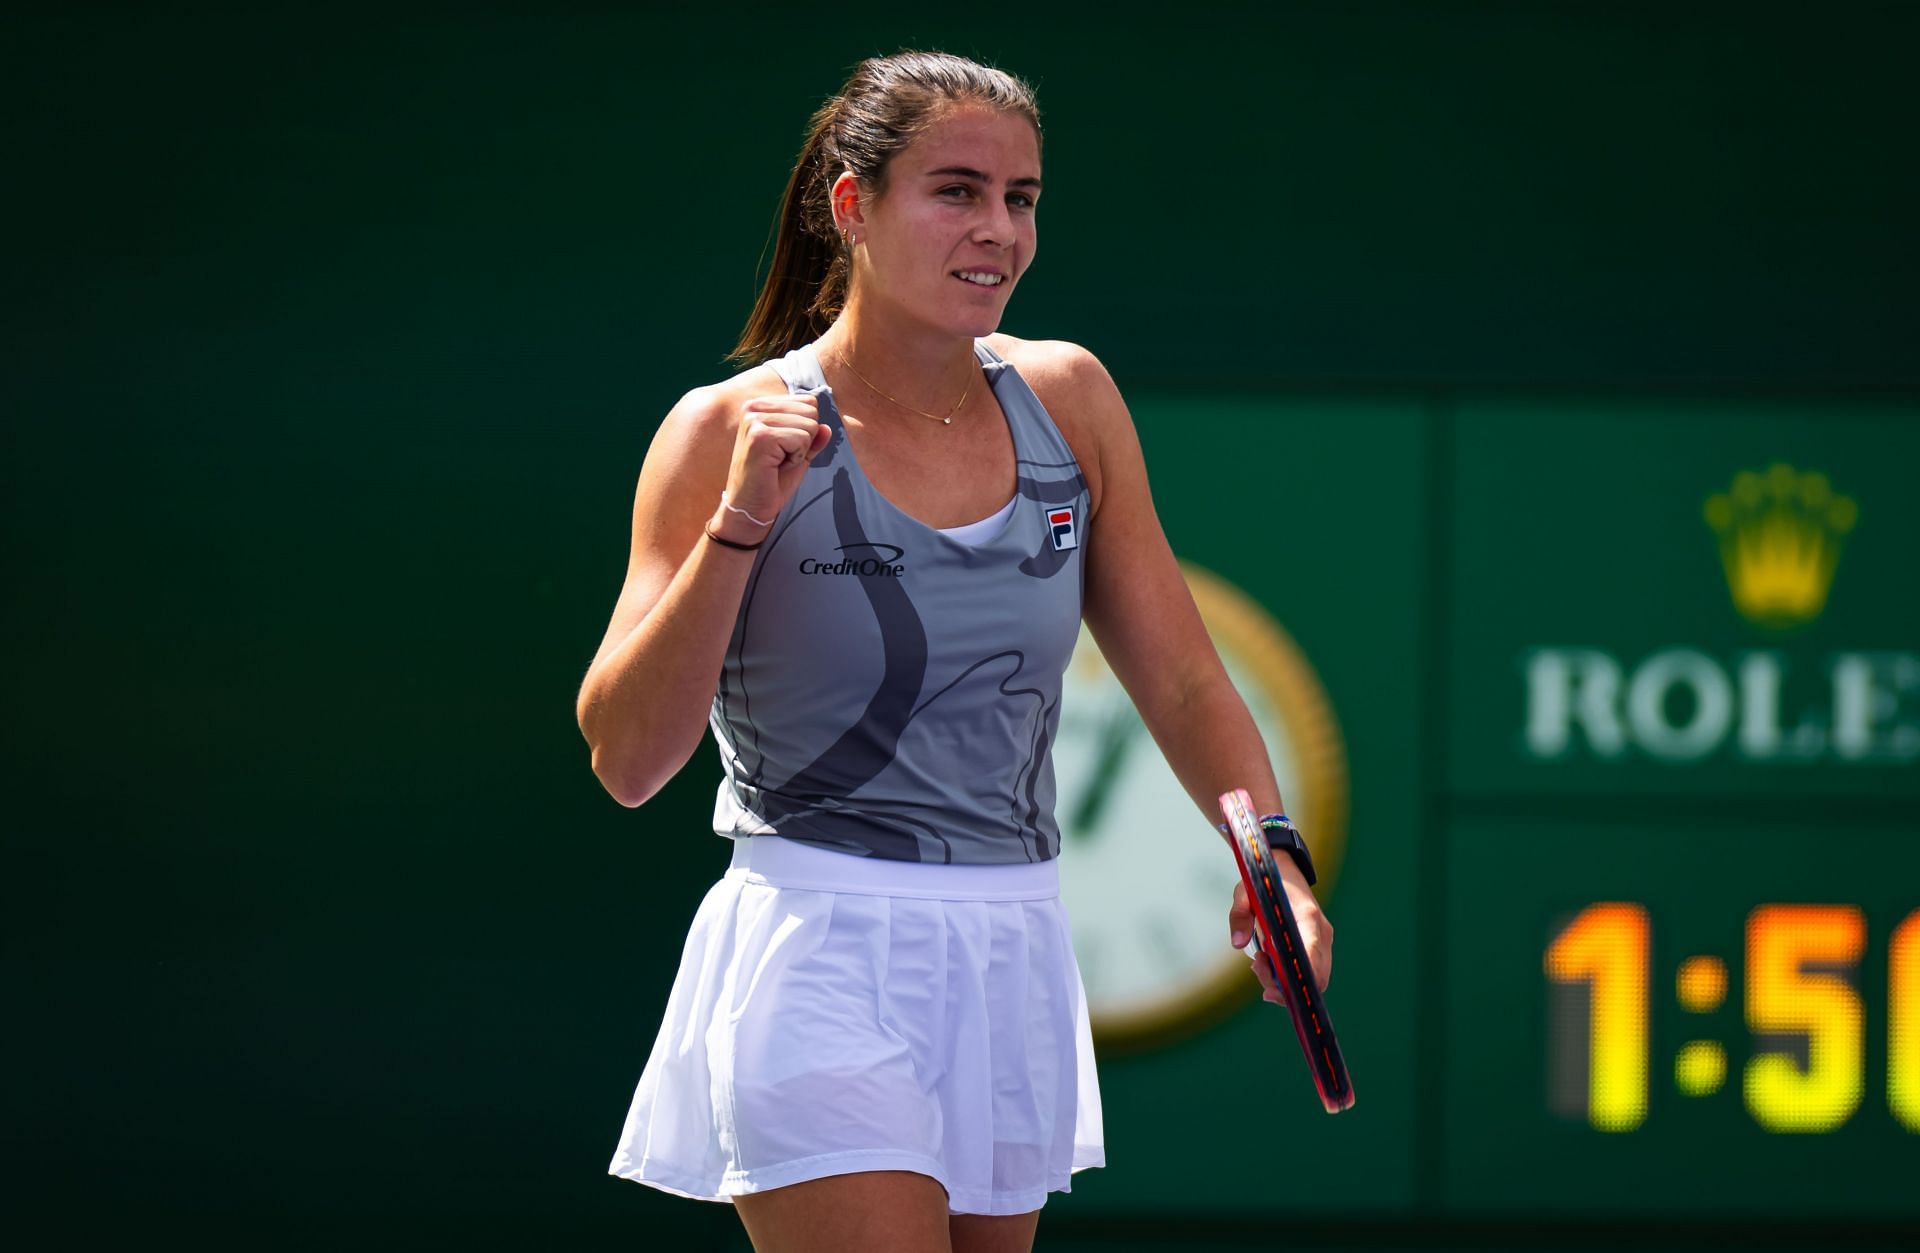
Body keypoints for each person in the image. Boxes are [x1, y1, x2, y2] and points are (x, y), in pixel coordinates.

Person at [576, 50, 1333, 1253]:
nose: (999, 230)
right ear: (851, 207)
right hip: (817, 948)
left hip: (1012, 948)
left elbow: (1185, 676)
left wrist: (1271, 852)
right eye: (957, 190)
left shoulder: (1071, 399)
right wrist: (740, 523)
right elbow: (627, 756)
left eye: (1020, 197)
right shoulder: (721, 431)